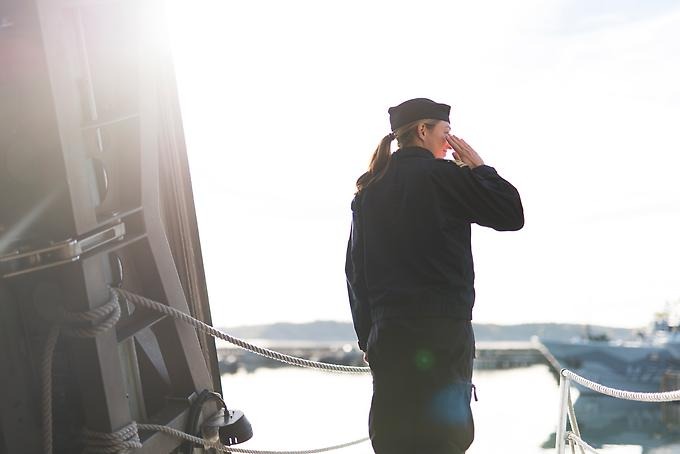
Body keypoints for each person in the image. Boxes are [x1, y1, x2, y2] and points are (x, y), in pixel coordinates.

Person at [345, 98, 524, 454]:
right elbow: (511, 214)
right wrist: (479, 168)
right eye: (446, 133)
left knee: (394, 436)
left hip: (389, 334)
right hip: (443, 332)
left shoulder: (369, 190)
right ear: (423, 131)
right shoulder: (446, 177)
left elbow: (355, 272)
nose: (449, 142)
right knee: (444, 437)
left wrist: (368, 336)